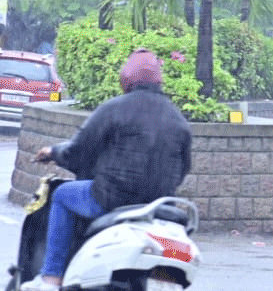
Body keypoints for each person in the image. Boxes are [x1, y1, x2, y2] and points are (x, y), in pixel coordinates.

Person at [22, 49, 192, 291]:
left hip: (111, 199)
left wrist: (53, 152)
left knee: (61, 195)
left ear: (126, 78)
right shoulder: (178, 119)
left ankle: (51, 277)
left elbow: (78, 151)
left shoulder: (114, 108)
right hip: (157, 206)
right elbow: (183, 169)